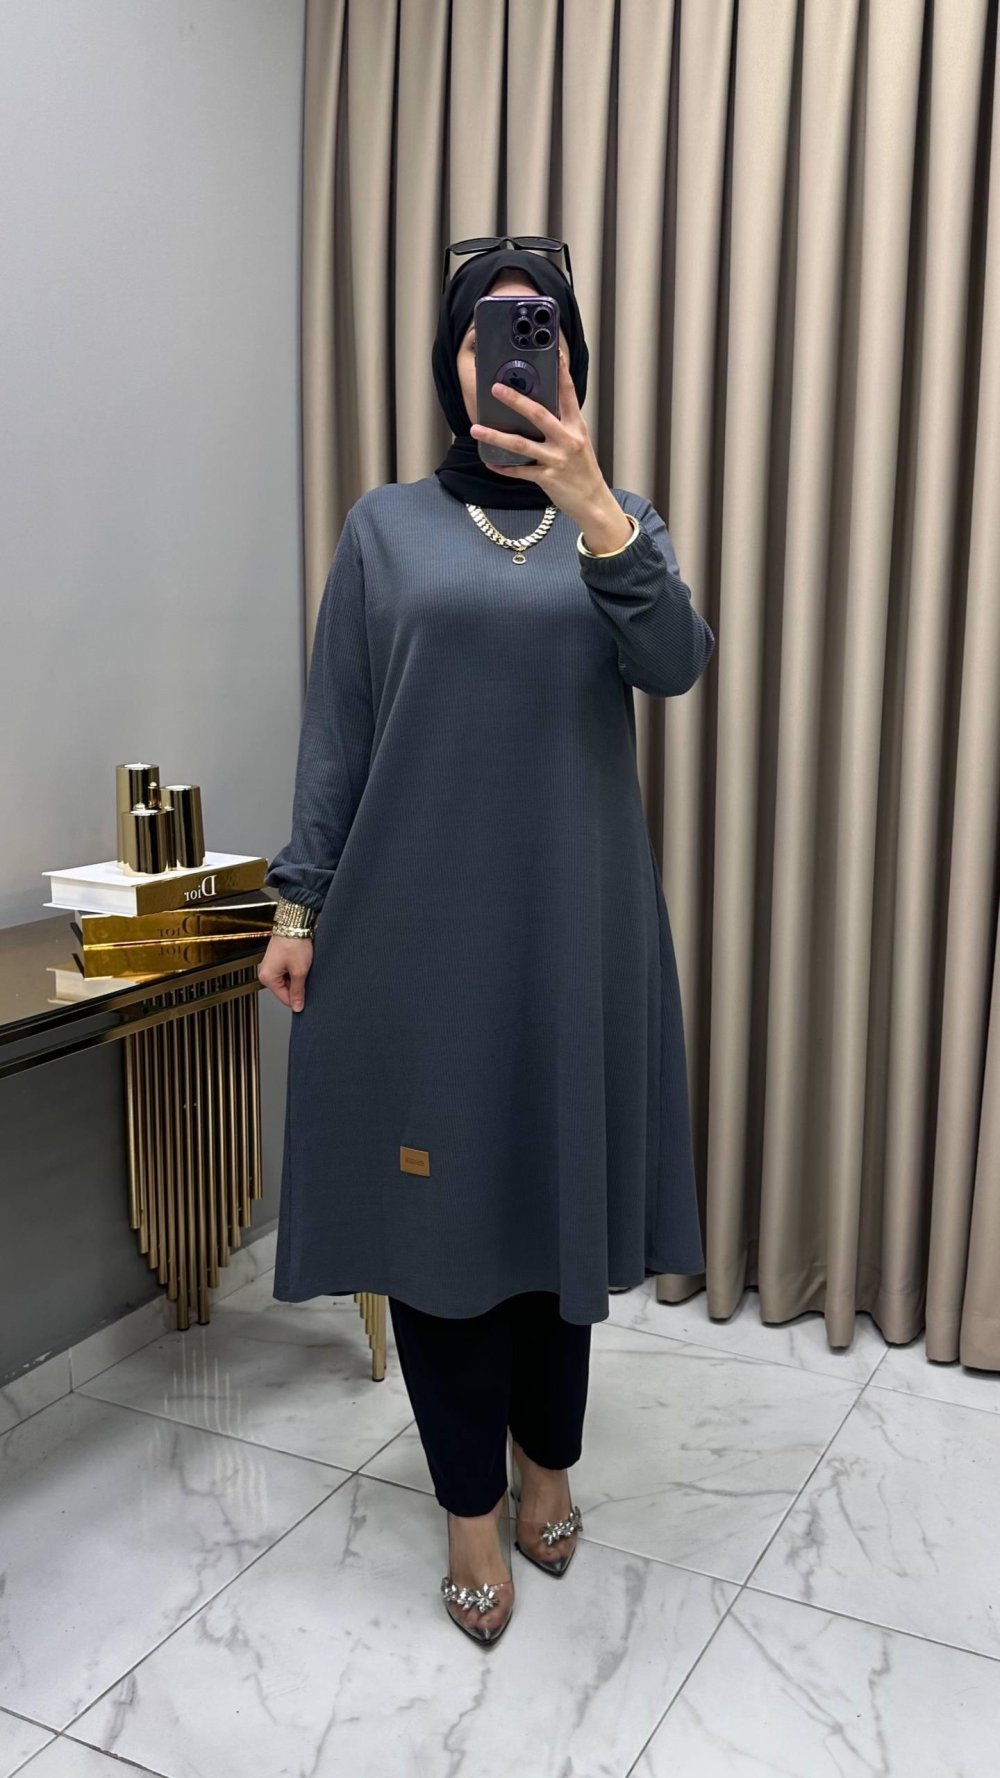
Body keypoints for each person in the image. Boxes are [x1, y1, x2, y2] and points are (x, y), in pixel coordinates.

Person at [258, 240, 716, 1645]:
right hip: (414, 939)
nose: (515, 350)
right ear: (451, 362)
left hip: (575, 934)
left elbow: (676, 662)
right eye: (488, 331)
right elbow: (339, 730)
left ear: (571, 360)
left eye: (541, 328)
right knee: (441, 1223)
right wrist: (297, 903)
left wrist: (596, 508)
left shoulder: (617, 521)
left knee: (551, 1200)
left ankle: (547, 1462)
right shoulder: (385, 529)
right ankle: (471, 1504)